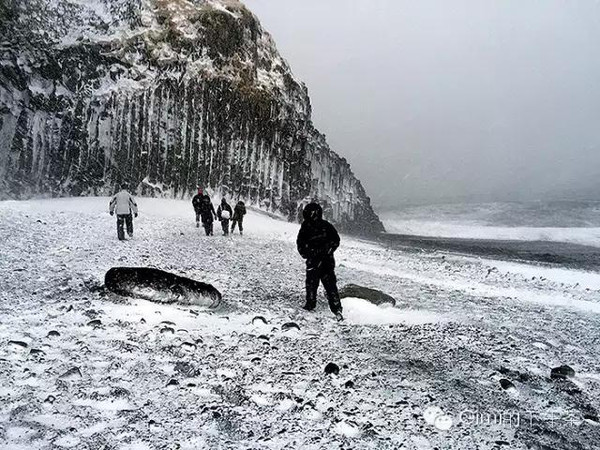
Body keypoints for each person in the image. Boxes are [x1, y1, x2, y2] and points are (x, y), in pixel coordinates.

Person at [296, 202, 343, 321]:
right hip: (317, 261)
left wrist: (326, 250)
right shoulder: (307, 227)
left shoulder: (323, 226)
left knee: (328, 284)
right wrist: (311, 253)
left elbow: (336, 241)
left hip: (324, 262)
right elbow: (301, 245)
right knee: (314, 284)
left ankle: (335, 308)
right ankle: (312, 305)